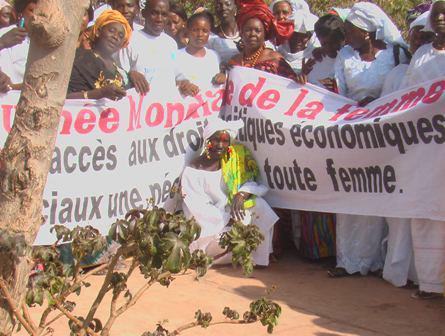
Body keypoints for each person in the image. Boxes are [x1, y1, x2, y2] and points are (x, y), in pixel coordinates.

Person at [329, 2, 409, 278]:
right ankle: (348, 259)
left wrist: (378, 104)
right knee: (350, 191)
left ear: (366, 32)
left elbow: (404, 88)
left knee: (377, 190)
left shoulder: (394, 56)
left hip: (383, 134)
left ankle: (374, 259)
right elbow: (338, 89)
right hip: (350, 132)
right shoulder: (345, 56)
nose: (347, 35)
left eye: (351, 30)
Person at [181, 118, 278, 267]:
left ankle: (260, 257)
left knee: (260, 206)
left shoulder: (231, 162)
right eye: (215, 140)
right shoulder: (193, 171)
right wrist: (229, 220)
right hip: (209, 229)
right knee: (228, 237)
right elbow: (198, 211)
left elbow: (249, 181)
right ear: (207, 141)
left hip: (229, 213)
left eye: (225, 140)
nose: (220, 145)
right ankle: (241, 253)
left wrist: (242, 194)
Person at [400, 0, 445, 299]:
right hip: (426, 144)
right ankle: (429, 282)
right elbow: (406, 96)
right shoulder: (422, 57)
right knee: (427, 209)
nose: (441, 19)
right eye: (437, 14)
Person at [120, 0, 183, 96]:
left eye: (164, 14)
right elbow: (119, 71)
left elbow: (177, 74)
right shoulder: (130, 40)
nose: (159, 19)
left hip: (166, 104)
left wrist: (185, 82)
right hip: (140, 105)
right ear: (144, 13)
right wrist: (131, 73)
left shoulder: (171, 44)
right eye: (154, 13)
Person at [67, 9, 131, 100]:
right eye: (112, 31)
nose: (115, 37)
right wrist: (100, 93)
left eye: (121, 36)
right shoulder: (78, 59)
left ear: (122, 44)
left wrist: (133, 76)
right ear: (98, 32)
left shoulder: (121, 73)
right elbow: (65, 97)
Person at [228, 0, 296, 80]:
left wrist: (300, 80)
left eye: (258, 31)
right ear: (241, 33)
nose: (252, 34)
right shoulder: (234, 61)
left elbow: (292, 86)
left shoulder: (275, 60)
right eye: (248, 30)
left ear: (264, 34)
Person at [176, 11, 225, 96]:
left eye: (205, 31)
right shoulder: (176, 56)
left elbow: (222, 75)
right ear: (187, 31)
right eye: (195, 30)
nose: (200, 34)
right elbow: (167, 80)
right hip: (185, 106)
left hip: (210, 107)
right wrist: (182, 84)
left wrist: (222, 76)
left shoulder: (214, 56)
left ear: (209, 33)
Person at [0, 0, 37, 90]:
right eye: (32, 11)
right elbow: (6, 83)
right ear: (20, 14)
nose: (36, 16)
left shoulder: (49, 40)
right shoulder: (6, 35)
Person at [306, 14, 345, 91]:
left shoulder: (349, 60)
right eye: (324, 44)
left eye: (333, 43)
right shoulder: (315, 58)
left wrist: (338, 88)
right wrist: (303, 75)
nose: (328, 48)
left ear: (343, 38)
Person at [277, 11, 320, 75]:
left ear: (309, 37)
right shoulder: (277, 50)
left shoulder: (314, 57)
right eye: (295, 35)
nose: (297, 40)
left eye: (303, 36)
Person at [207, 0, 241, 67]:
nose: (223, 8)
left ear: (235, 8)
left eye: (227, 4)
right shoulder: (210, 38)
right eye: (219, 5)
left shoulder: (247, 34)